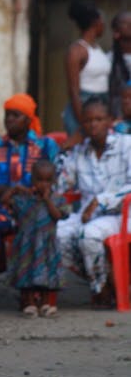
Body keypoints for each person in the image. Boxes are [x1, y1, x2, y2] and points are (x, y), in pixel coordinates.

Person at [0, 93, 58, 311]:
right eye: (7, 115)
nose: (9, 120)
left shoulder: (46, 146)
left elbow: (56, 179)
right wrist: (9, 191)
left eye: (16, 116)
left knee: (39, 229)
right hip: (4, 208)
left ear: (28, 120)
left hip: (36, 210)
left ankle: (36, 293)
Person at [56, 96, 131, 307]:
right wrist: (64, 150)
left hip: (122, 214)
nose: (93, 125)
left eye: (99, 119)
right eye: (88, 120)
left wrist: (101, 201)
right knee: (56, 234)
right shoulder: (80, 151)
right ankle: (102, 280)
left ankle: (101, 291)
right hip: (88, 216)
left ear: (110, 121)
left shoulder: (126, 145)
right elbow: (59, 186)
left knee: (88, 234)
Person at [6, 159, 68, 317]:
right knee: (26, 274)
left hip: (47, 243)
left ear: (54, 180)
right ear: (32, 179)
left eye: (48, 180)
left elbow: (58, 216)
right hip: (27, 244)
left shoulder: (57, 199)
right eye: (39, 180)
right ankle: (29, 303)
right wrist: (14, 190)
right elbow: (5, 202)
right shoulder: (25, 199)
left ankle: (46, 303)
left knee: (48, 274)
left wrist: (47, 200)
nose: (43, 184)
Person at [63, 0, 109, 137]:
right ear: (97, 23)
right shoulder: (77, 51)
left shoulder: (98, 49)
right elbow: (73, 90)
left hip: (101, 104)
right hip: (83, 107)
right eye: (103, 23)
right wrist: (83, 121)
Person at [108, 11, 131, 119]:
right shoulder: (109, 60)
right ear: (116, 33)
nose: (130, 24)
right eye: (125, 23)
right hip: (118, 118)